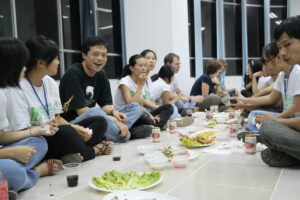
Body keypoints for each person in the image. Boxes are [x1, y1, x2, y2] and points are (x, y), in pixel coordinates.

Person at [5, 36, 111, 163]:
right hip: (38, 138)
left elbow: (57, 118)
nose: (59, 62)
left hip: (55, 132)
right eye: (56, 58)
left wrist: (75, 127)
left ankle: (71, 153)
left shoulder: (49, 82)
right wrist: (52, 129)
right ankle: (92, 151)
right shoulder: (17, 89)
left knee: (99, 121)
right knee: (66, 133)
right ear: (41, 63)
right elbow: (22, 131)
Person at [0, 37, 61, 196]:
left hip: (8, 148)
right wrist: (9, 153)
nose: (26, 68)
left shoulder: (2, 93)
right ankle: (36, 172)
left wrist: (36, 131)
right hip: (5, 152)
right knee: (11, 171)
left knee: (38, 142)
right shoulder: (11, 92)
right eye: (22, 64)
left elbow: (1, 137)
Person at [59, 36, 143, 143]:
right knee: (96, 112)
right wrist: (113, 120)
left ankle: (116, 133)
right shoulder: (73, 73)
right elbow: (81, 111)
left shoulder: (101, 74)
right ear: (84, 55)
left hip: (97, 118)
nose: (100, 59)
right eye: (95, 54)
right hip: (75, 123)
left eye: (104, 55)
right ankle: (124, 134)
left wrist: (114, 113)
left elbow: (105, 106)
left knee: (136, 107)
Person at [256, 15, 300, 167]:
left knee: (268, 128)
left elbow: (271, 100)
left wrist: (276, 120)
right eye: (280, 47)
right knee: (267, 124)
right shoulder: (286, 74)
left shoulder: (296, 72)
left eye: (287, 45)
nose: (282, 53)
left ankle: (291, 155)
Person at [114, 55, 173, 135]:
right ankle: (156, 126)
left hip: (141, 113)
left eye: (145, 65)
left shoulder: (142, 80)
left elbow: (141, 103)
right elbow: (131, 105)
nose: (144, 68)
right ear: (131, 68)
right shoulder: (125, 82)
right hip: (127, 116)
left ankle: (154, 126)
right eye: (140, 65)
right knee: (144, 125)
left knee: (169, 107)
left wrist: (149, 114)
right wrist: (141, 85)